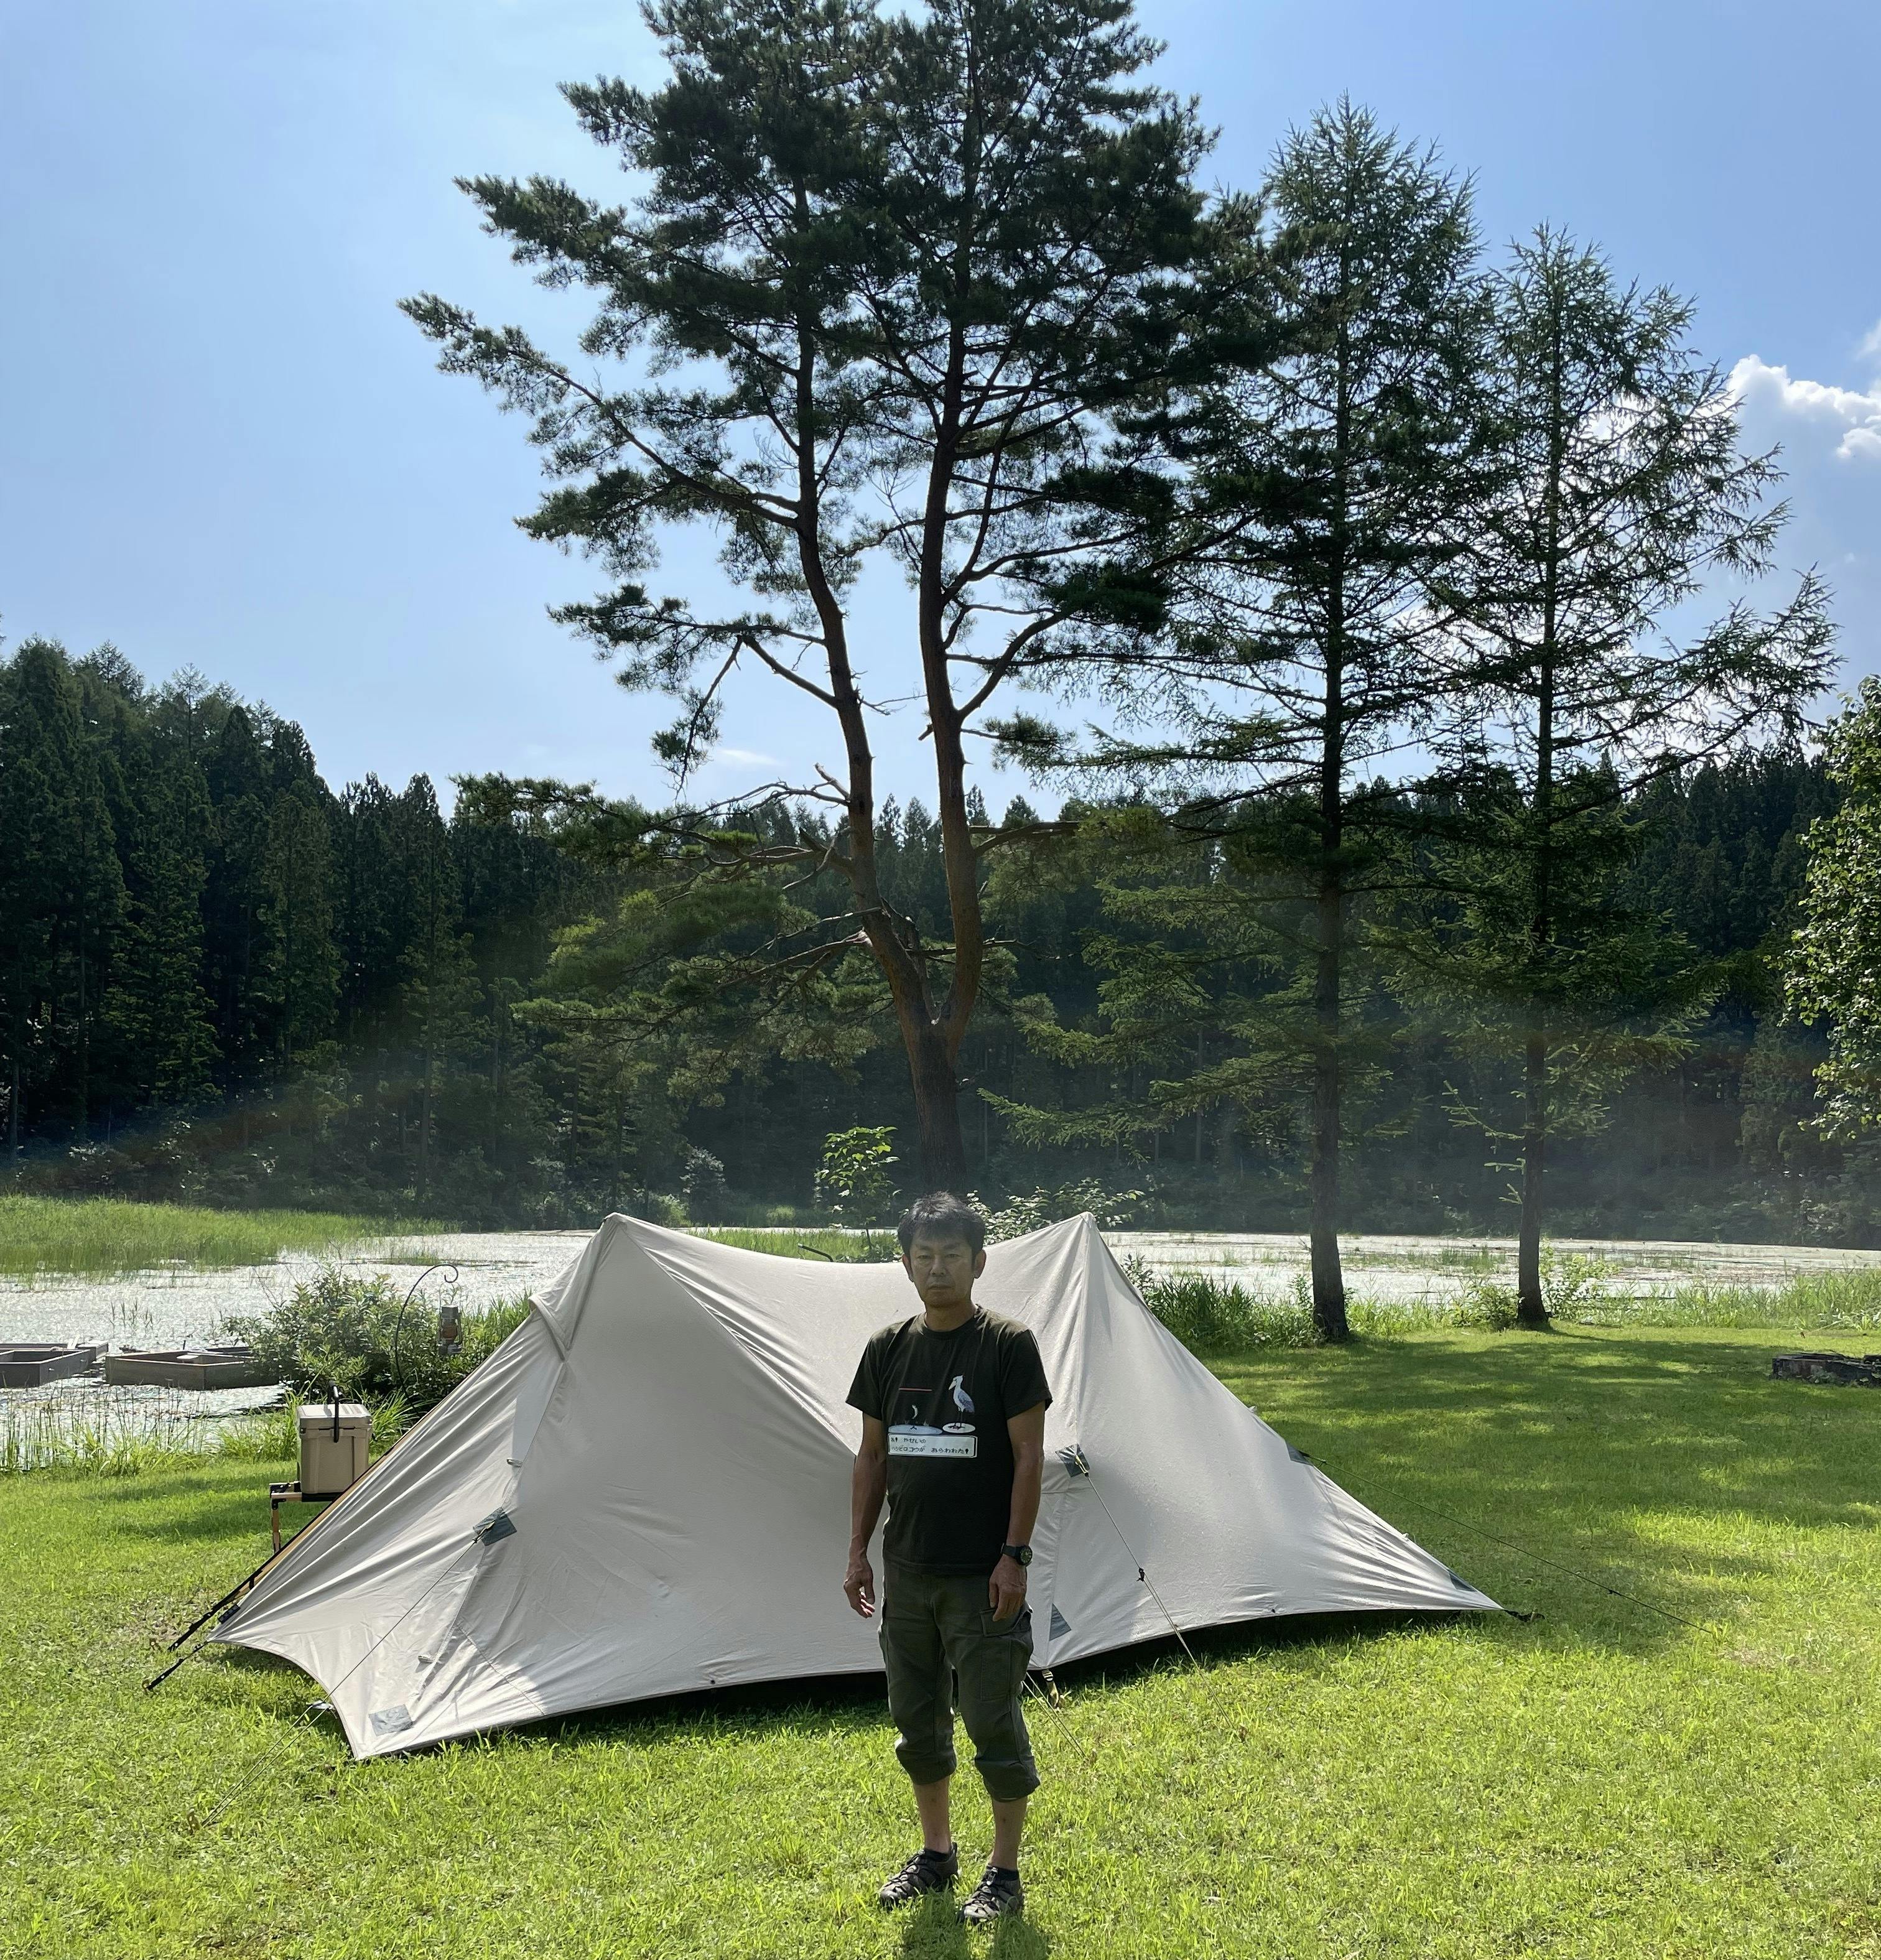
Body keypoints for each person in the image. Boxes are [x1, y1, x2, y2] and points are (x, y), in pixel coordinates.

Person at [844, 1191, 1051, 1926]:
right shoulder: (886, 1349)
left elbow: (1030, 1458)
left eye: (952, 1255)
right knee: (918, 1719)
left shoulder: (1007, 1345)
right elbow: (872, 1457)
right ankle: (937, 1853)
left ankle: (1004, 1872)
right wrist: (858, 1552)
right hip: (908, 1572)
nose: (937, 1268)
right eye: (924, 1255)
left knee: (992, 1718)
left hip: (982, 1576)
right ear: (905, 1263)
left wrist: (1013, 1556)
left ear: (979, 1262)